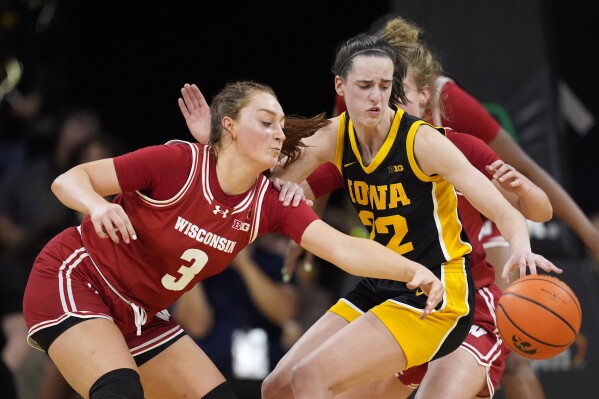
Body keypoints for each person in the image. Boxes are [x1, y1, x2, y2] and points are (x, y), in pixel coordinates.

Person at [179, 34, 560, 399]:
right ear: (341, 88)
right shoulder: (333, 137)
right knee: (277, 388)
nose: (377, 96)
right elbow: (255, 187)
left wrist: (521, 248)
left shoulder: (425, 142)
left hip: (438, 292)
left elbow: (503, 209)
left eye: (385, 85)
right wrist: (217, 146)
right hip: (382, 286)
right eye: (365, 86)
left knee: (310, 377)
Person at [22, 80, 447, 399]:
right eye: (266, 122)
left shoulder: (271, 202)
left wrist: (413, 269)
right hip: (78, 279)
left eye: (282, 125)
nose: (280, 133)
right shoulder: (178, 162)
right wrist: (97, 206)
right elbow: (70, 179)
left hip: (141, 313)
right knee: (121, 391)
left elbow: (342, 247)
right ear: (229, 126)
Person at [295, 54, 553, 398]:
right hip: (401, 299)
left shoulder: (455, 146)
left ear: (424, 98)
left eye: (395, 92)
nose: (386, 102)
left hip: (466, 301)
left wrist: (523, 190)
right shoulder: (359, 149)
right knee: (307, 384)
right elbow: (294, 189)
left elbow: (537, 211)